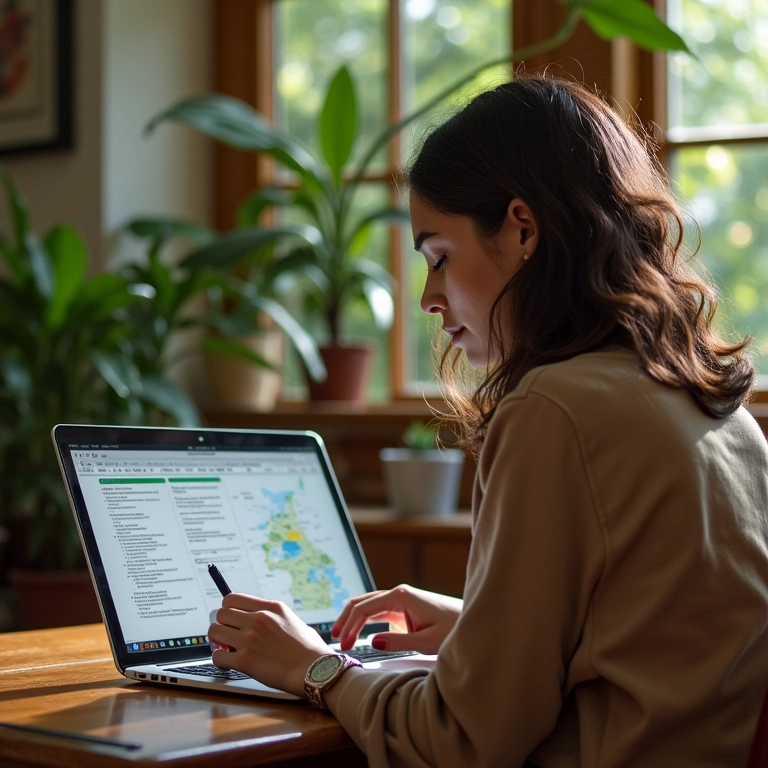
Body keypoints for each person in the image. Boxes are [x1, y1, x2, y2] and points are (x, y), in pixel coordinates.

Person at [207, 75, 768, 767]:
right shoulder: (714, 407)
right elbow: (660, 638)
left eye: (440, 258)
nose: (428, 299)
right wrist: (479, 628)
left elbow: (466, 741)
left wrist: (314, 668)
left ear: (522, 228)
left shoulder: (553, 409)